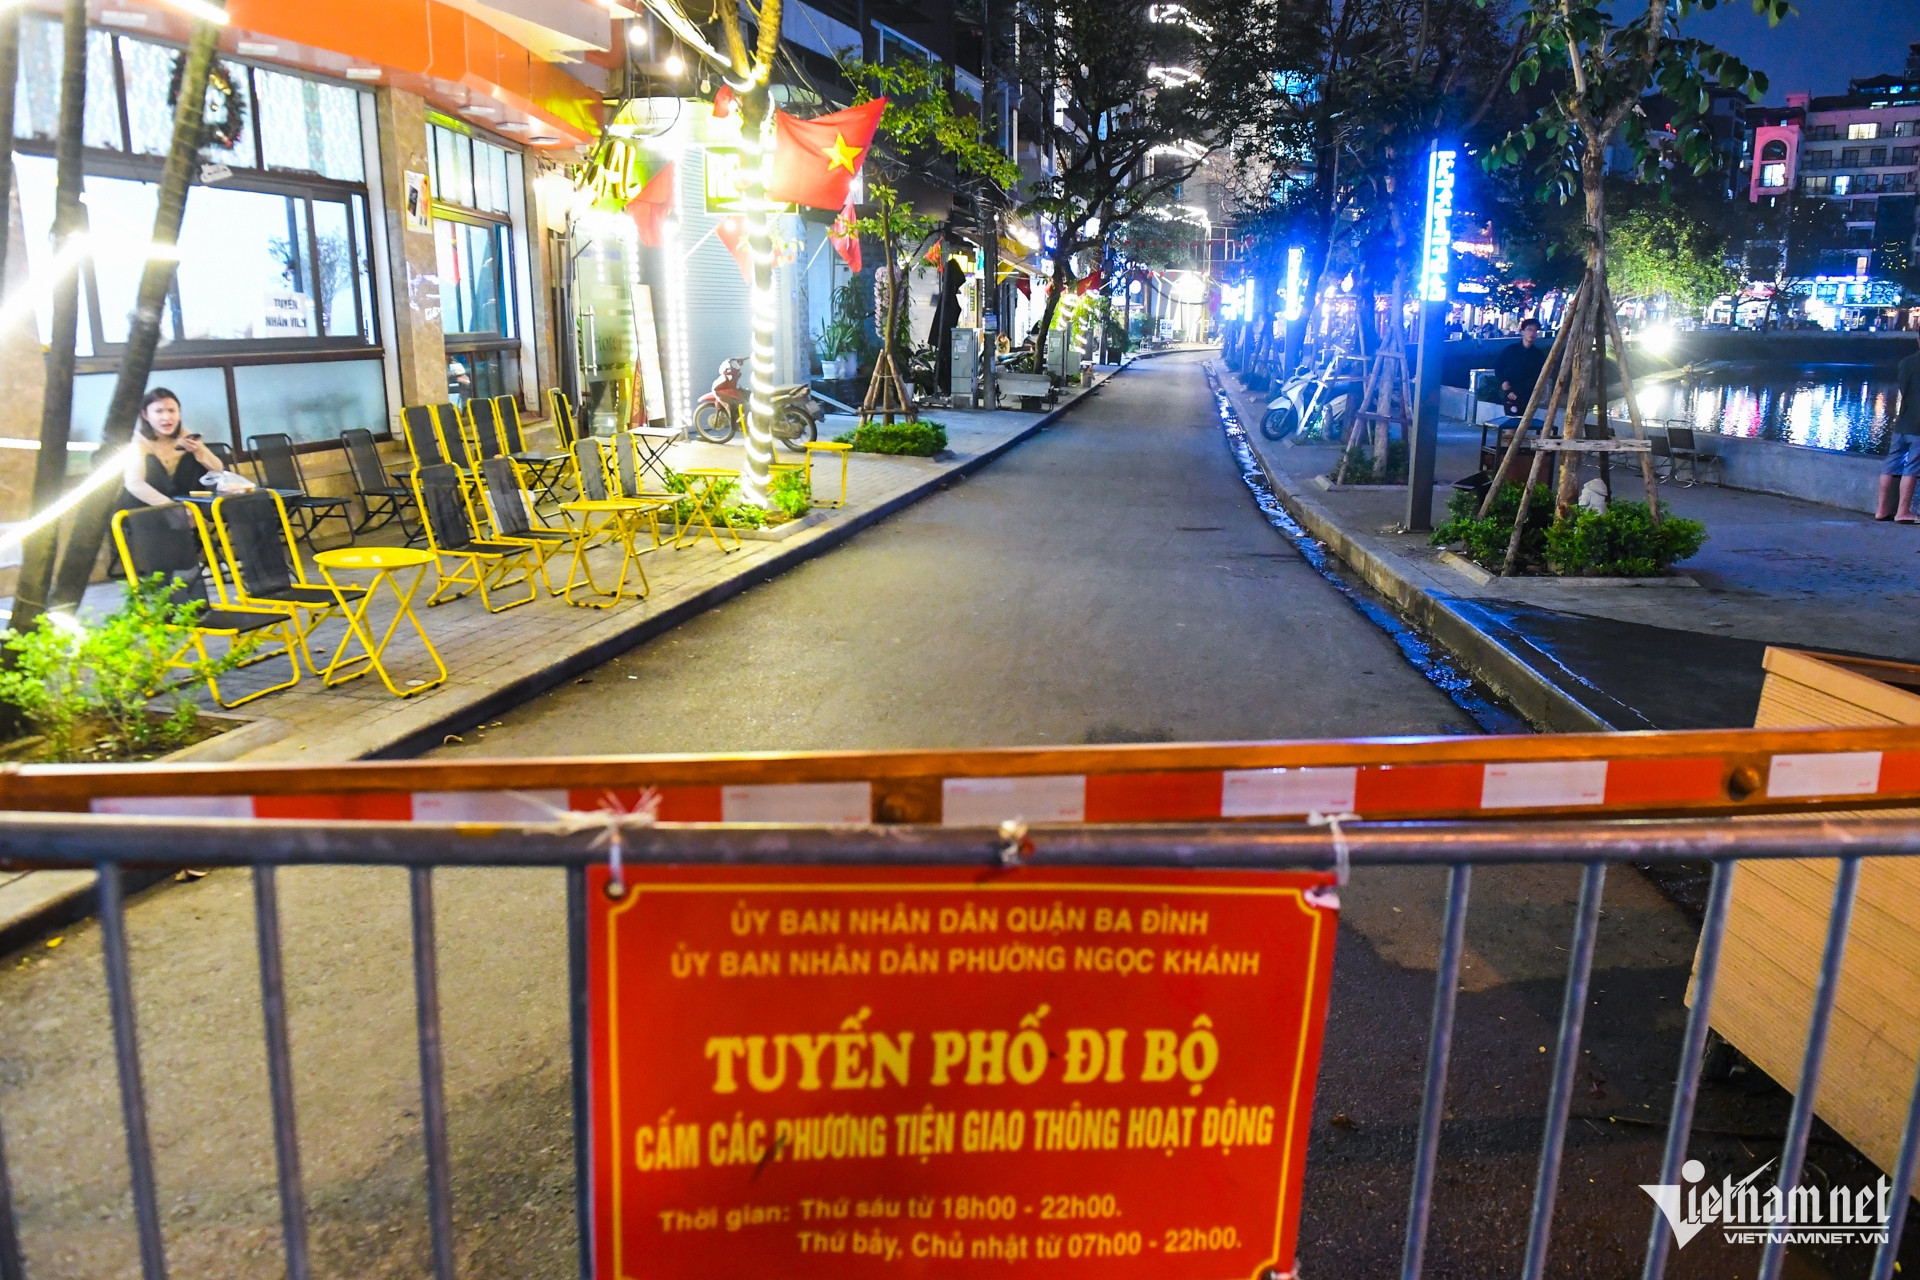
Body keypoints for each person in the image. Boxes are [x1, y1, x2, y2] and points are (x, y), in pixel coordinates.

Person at [121, 387, 230, 508]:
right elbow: (133, 484)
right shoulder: (138, 441)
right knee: (151, 462)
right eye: (158, 411)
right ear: (146, 415)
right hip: (149, 507)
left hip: (182, 499)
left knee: (190, 458)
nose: (167, 417)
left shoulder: (184, 435)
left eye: (172, 411)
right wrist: (173, 509)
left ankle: (191, 511)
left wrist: (199, 450)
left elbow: (218, 469)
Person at [1879, 329, 1920, 522]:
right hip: (1918, 426)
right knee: (1912, 468)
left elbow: (1905, 390)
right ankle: (1903, 511)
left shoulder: (1905, 363)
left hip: (1902, 421)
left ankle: (1882, 509)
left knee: (1890, 466)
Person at [1494, 318, 1548, 416]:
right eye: (1529, 329)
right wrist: (1503, 381)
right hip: (1510, 393)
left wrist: (1518, 391)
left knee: (1523, 422)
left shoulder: (1538, 355)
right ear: (1522, 332)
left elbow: (1536, 376)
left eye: (1535, 330)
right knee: (1511, 422)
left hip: (1527, 395)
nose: (1532, 333)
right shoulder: (1511, 350)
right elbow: (1498, 366)